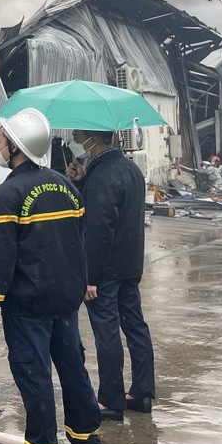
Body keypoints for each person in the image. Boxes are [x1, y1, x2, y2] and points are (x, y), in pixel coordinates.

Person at [0, 107, 102, 444]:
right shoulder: (67, 186)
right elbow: (78, 242)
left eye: (1, 140)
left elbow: (1, 257)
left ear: (16, 147)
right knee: (72, 366)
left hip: (28, 303)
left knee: (33, 374)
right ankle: (85, 434)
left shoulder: (6, 196)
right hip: (64, 299)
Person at [66, 129, 155, 419]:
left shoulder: (104, 174)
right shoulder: (130, 169)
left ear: (95, 139)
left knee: (107, 332)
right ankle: (141, 393)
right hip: (130, 264)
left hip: (105, 269)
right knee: (135, 326)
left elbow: (99, 230)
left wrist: (90, 277)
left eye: (79, 136)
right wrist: (82, 180)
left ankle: (110, 399)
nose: (76, 142)